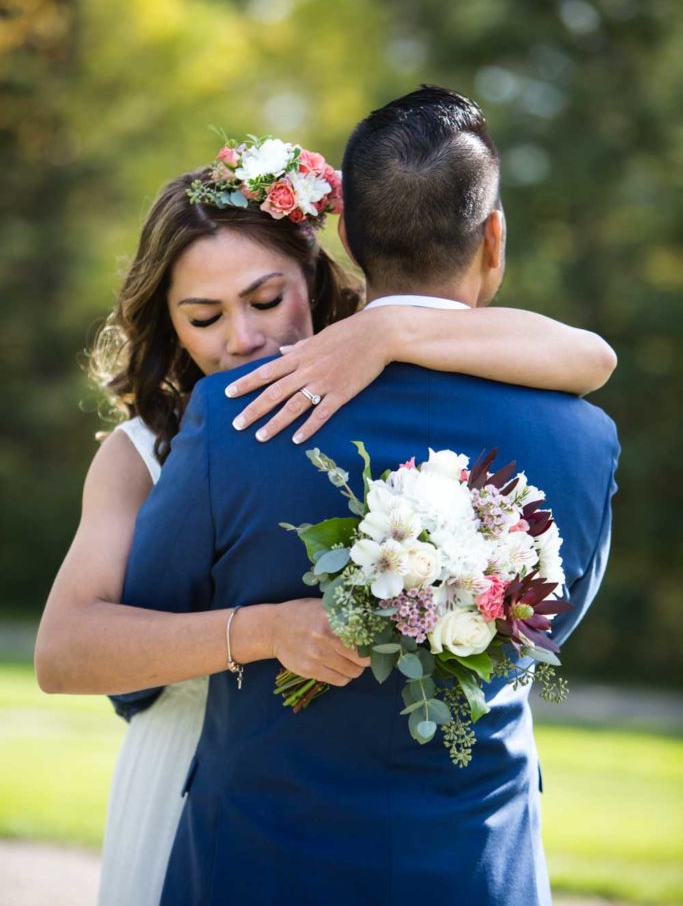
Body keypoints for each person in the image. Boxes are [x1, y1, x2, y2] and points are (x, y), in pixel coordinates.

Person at [116, 88, 620, 906]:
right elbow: (546, 628)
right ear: (493, 237)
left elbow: (141, 649)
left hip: (260, 864)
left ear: (344, 237)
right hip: (477, 868)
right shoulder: (585, 437)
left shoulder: (237, 414)